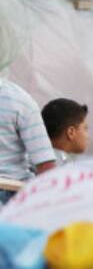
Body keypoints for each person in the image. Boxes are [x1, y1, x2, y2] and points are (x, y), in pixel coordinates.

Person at [0, 22, 55, 193]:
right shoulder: (20, 101)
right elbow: (45, 164)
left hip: (10, 192)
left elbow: (45, 166)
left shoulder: (18, 101)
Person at [41, 98, 89, 163]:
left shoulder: (34, 159)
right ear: (71, 132)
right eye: (85, 129)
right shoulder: (63, 167)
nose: (88, 137)